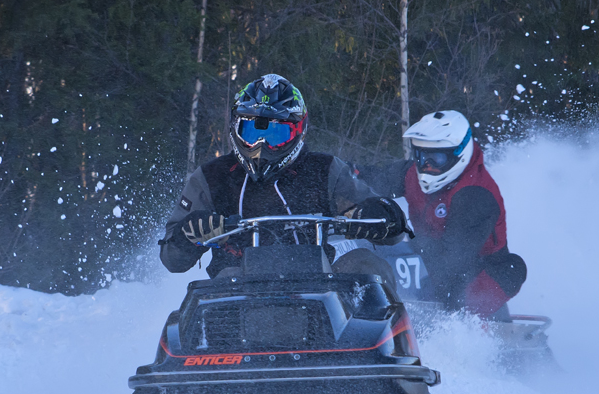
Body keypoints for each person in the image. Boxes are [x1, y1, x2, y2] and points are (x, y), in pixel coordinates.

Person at [159, 73, 406, 277]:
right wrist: (188, 235)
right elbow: (172, 260)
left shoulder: (324, 170)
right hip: (236, 294)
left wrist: (379, 216)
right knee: (222, 281)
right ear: (235, 127)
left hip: (322, 286)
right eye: (251, 132)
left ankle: (386, 336)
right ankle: (209, 339)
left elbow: (394, 230)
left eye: (277, 135)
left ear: (299, 132)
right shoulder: (212, 177)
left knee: (366, 265)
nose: (261, 147)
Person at [360, 110, 527, 319]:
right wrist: (338, 175)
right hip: (434, 262)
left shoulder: (475, 194)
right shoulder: (413, 174)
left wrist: (399, 246)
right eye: (421, 156)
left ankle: (456, 335)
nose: (426, 165)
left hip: (479, 274)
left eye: (436, 158)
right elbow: (375, 178)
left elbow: (454, 258)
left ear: (459, 153)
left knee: (451, 294)